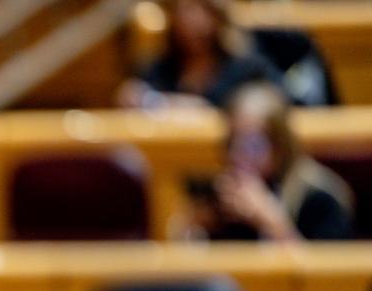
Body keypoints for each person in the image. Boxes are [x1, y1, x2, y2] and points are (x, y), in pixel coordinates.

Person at [182, 81, 353, 241]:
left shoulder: (320, 199)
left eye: (252, 145)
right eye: (233, 142)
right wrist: (195, 227)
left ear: (280, 145)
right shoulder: (224, 201)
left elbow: (328, 269)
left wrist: (270, 221)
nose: (237, 155)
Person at [118, 0, 284, 109]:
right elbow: (136, 94)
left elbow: (276, 105)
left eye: (201, 10)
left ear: (217, 17)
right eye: (184, 11)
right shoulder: (160, 67)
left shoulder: (249, 68)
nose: (193, 20)